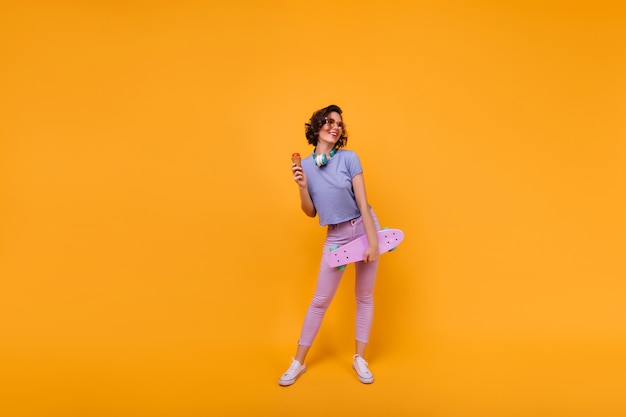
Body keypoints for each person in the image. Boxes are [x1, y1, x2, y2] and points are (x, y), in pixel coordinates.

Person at [279, 104, 381, 386]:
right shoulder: (306, 166)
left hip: (363, 226)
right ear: (317, 127)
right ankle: (298, 362)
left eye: (339, 123)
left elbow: (363, 202)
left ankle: (359, 358)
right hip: (336, 236)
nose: (335, 126)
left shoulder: (349, 158)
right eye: (329, 121)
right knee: (320, 301)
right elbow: (311, 213)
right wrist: (301, 187)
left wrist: (373, 241)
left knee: (364, 296)